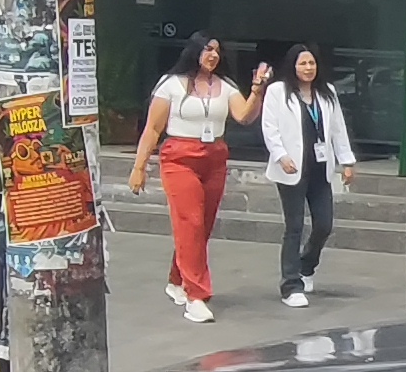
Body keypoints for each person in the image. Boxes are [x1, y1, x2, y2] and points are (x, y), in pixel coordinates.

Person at [126, 36, 270, 324]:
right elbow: (153, 129)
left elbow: (244, 116)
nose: (213, 55)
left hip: (214, 156)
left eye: (217, 50)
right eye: (207, 49)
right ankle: (196, 296)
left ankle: (176, 280)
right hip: (180, 157)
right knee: (189, 222)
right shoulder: (171, 84)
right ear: (194, 51)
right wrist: (139, 167)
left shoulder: (225, 86)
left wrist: (257, 90)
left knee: (201, 225)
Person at [261, 43, 357, 308]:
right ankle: (290, 285)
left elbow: (338, 129)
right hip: (291, 168)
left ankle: (306, 266)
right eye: (303, 63)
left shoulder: (327, 93)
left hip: (319, 168)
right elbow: (269, 128)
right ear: (293, 66)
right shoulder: (277, 92)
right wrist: (281, 156)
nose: (308, 68)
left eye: (312, 63)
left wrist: (347, 161)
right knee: (294, 226)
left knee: (324, 224)